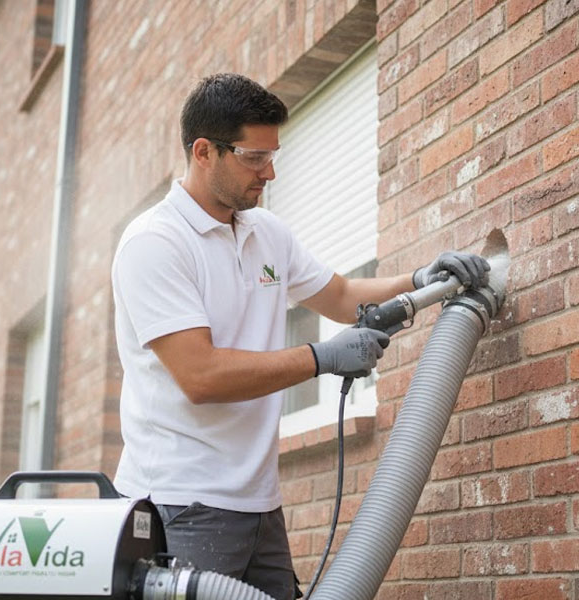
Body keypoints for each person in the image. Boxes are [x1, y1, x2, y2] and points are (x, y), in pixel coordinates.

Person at [111, 73, 490, 600]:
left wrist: (421, 278)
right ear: (203, 152)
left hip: (260, 504)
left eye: (272, 155)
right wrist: (321, 357)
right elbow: (201, 376)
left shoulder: (266, 232)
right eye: (253, 157)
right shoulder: (155, 243)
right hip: (182, 502)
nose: (269, 172)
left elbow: (341, 295)